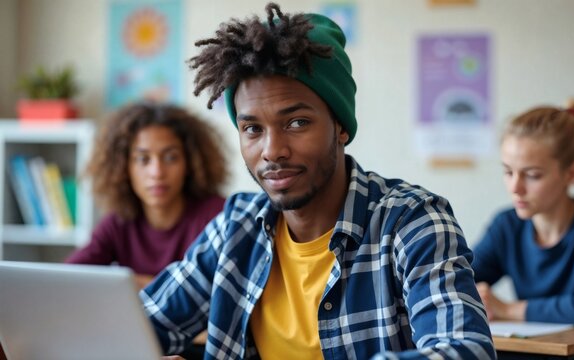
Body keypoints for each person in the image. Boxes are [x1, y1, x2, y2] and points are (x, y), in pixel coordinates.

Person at [142, 3, 495, 359]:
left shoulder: (412, 221)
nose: (272, 151)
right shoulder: (235, 229)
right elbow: (137, 327)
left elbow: (466, 350)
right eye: (252, 129)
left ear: (340, 125)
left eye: (296, 123)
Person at [472, 99, 574, 328]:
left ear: (572, 173)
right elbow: (457, 280)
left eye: (533, 175)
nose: (515, 188)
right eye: (508, 172)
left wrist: (508, 309)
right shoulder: (506, 225)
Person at [65, 102, 228, 289]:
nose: (157, 172)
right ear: (124, 167)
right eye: (143, 159)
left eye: (170, 157)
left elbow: (220, 296)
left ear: (190, 163)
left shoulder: (218, 216)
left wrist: (137, 283)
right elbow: (68, 278)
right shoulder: (119, 222)